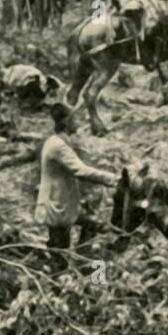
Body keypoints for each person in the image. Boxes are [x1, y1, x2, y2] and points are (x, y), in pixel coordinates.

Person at [36, 103, 114, 263]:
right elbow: (80, 170)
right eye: (74, 118)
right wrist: (112, 179)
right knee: (60, 248)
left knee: (93, 226)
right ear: (65, 122)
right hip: (57, 207)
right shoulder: (57, 145)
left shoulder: (58, 142)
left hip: (62, 205)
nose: (77, 121)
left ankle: (82, 264)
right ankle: (60, 277)